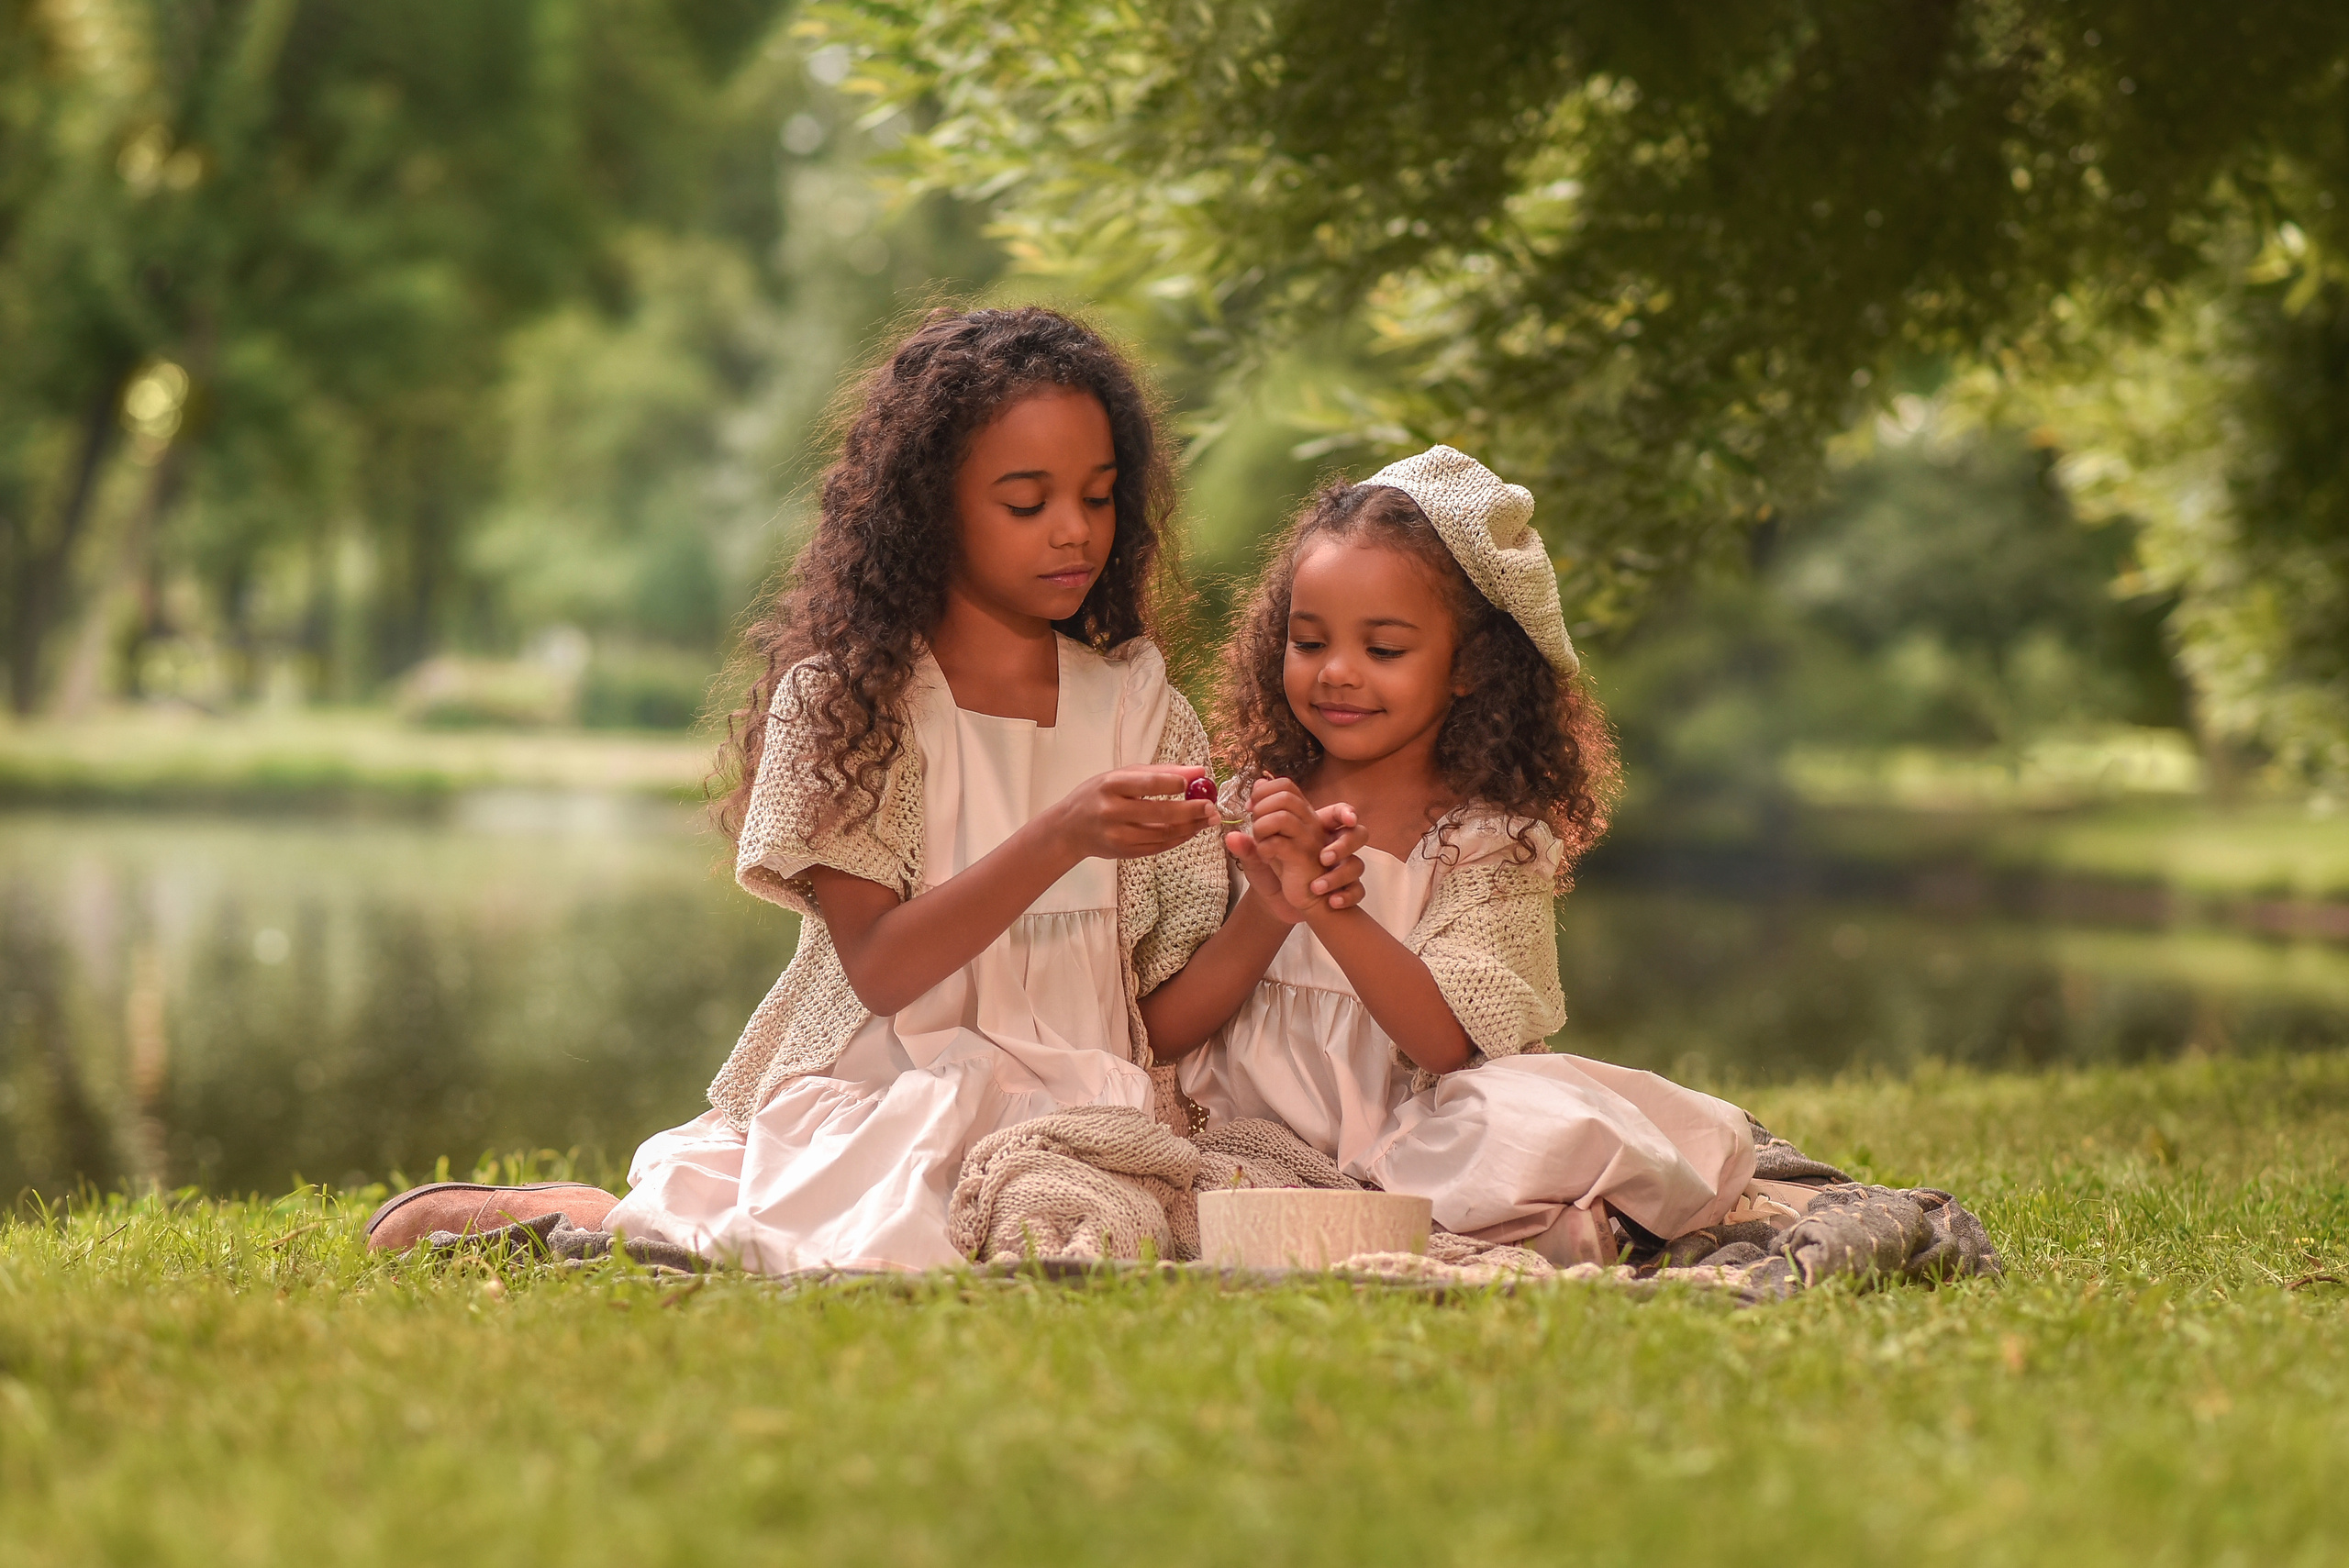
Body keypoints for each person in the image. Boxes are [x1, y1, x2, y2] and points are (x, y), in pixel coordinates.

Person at [1144, 447, 1757, 1265]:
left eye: (1384, 649)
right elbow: (1161, 1030)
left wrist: (1328, 904)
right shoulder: (1243, 807)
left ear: (1470, 666)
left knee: (1547, 1120)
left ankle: (1506, 1215)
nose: (1336, 673)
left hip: (1417, 1130)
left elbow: (1446, 1045)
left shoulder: (1486, 839)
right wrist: (1269, 904)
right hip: (1244, 1131)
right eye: (1309, 640)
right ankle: (1531, 1229)